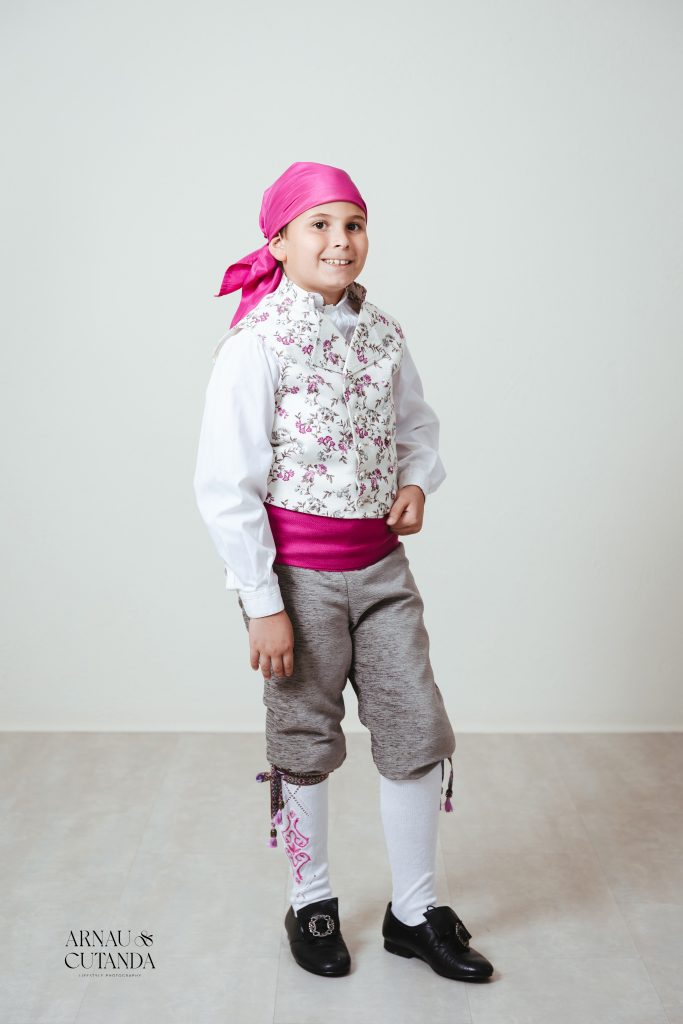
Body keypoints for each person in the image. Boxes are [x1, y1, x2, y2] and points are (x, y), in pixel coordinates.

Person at [192, 161, 494, 983]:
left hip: (382, 570)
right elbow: (225, 485)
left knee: (414, 730)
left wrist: (414, 481)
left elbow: (415, 427)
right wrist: (262, 602)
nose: (339, 240)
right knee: (303, 735)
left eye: (353, 224)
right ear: (278, 243)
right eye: (318, 225)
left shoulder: (383, 333)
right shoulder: (258, 343)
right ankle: (311, 899)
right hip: (297, 581)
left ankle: (414, 911)